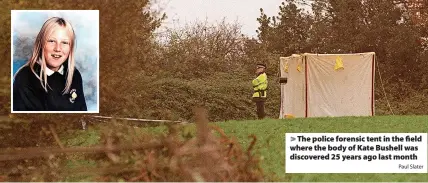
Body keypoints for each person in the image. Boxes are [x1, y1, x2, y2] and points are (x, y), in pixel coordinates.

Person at [13, 17, 87, 111]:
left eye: (64, 42)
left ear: (70, 48)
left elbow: (83, 115)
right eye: (51, 41)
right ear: (41, 44)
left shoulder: (74, 75)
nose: (58, 48)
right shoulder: (25, 77)